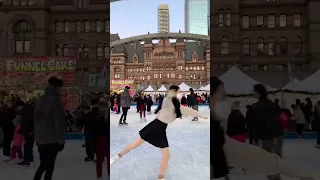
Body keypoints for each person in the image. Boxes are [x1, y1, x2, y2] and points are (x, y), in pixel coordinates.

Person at [212, 80, 315, 180]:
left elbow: (255, 126)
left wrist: (254, 136)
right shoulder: (271, 104)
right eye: (222, 92)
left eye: (254, 92)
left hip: (267, 136)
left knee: (270, 162)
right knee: (272, 161)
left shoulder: (257, 107)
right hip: (275, 135)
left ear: (258, 93)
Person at [110, 85, 208, 180]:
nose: (179, 93)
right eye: (178, 91)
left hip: (158, 127)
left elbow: (187, 110)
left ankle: (117, 157)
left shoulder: (176, 103)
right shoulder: (167, 100)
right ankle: (117, 157)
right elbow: (168, 100)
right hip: (157, 127)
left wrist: (201, 115)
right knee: (161, 153)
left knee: (139, 144)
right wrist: (170, 93)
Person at [33, 77, 65, 180]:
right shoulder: (56, 101)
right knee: (50, 166)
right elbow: (58, 122)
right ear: (57, 87)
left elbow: (36, 120)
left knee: (43, 164)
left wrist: (37, 137)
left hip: (40, 139)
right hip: (52, 139)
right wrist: (61, 141)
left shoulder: (39, 100)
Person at [18, 100, 36, 167]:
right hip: (29, 131)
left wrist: (31, 130)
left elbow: (30, 121)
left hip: (29, 132)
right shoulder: (27, 109)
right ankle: (28, 159)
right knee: (27, 146)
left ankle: (28, 160)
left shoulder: (26, 111)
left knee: (27, 146)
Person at [95, 97, 110, 180]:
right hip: (99, 139)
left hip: (107, 139)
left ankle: (109, 174)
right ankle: (99, 175)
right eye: (100, 106)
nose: (102, 108)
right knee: (99, 159)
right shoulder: (96, 115)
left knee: (108, 157)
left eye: (103, 106)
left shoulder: (108, 116)